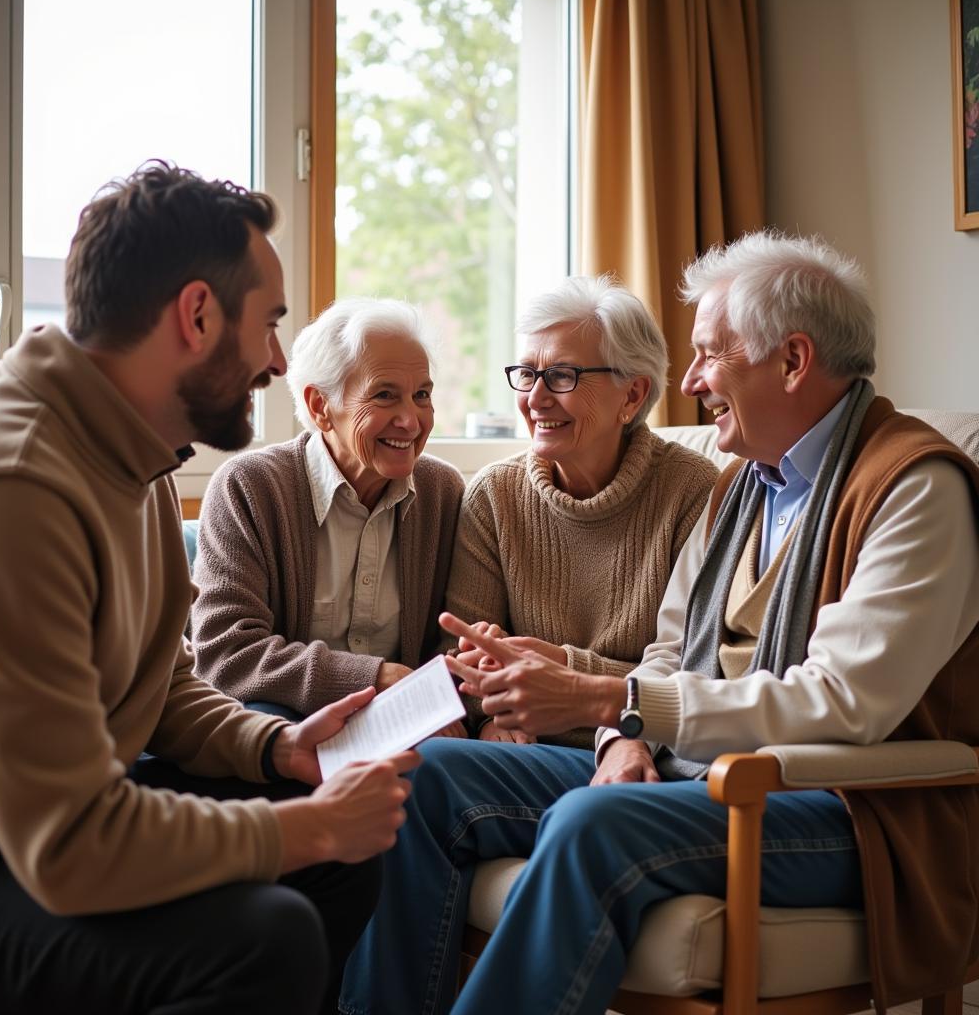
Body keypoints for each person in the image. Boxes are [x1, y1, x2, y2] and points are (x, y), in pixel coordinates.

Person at [340, 231, 979, 1015]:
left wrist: (613, 707)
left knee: (591, 823)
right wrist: (624, 740)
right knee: (425, 779)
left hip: (847, 809)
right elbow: (671, 654)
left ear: (793, 360)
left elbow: (844, 705)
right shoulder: (744, 488)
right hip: (699, 774)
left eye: (712, 354)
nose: (698, 381)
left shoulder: (915, 488)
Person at [0, 162, 421, 1015]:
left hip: (52, 830)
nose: (279, 362)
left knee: (341, 851)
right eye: (270, 325)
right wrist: (308, 825)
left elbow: (160, 683)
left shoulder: (135, 449)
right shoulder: (15, 481)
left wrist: (278, 749)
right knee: (265, 933)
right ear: (198, 314)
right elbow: (67, 845)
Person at [443, 275, 716, 748]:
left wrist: (566, 670)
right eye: (527, 373)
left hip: (643, 751)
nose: (535, 398)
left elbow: (701, 673)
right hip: (526, 750)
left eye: (563, 375)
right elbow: (456, 662)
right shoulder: (494, 496)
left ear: (631, 396)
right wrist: (490, 711)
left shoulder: (693, 492)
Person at [191, 297, 464, 727]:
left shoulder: (442, 492)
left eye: (422, 395)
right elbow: (226, 654)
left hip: (407, 725)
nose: (411, 421)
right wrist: (375, 678)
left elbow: (453, 641)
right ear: (320, 407)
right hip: (286, 724)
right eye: (385, 396)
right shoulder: (250, 487)